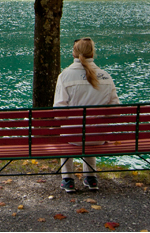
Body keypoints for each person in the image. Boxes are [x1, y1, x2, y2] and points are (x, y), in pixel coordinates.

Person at [53, 37, 120, 193]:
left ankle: (68, 179)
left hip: (73, 138)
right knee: (90, 130)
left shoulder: (65, 76)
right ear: (92, 53)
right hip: (98, 137)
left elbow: (59, 113)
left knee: (70, 131)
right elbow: (115, 109)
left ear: (74, 53)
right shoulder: (105, 76)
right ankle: (90, 178)